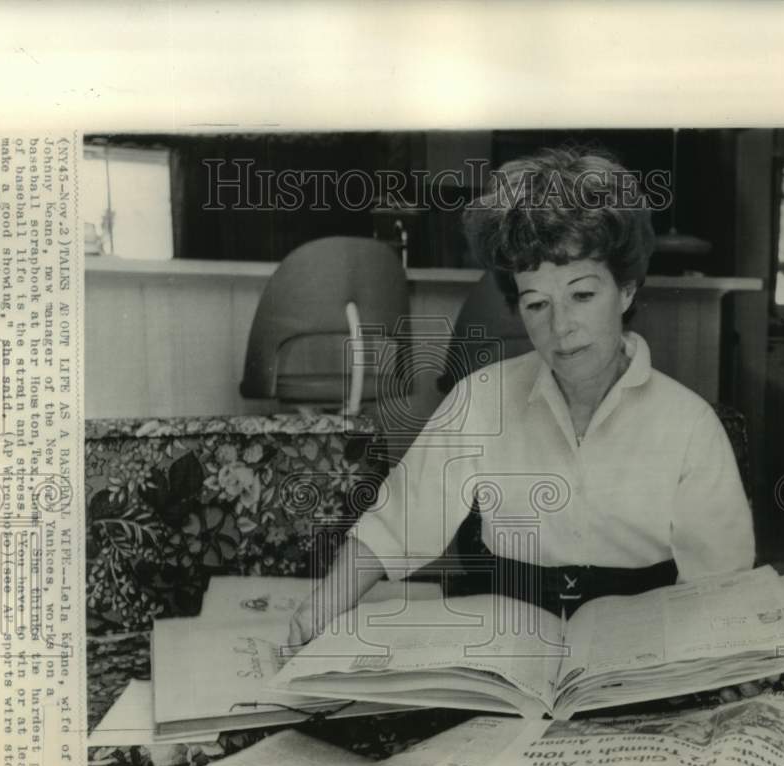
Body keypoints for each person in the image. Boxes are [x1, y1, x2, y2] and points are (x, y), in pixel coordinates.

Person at [287, 146, 754, 649]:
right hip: (505, 644)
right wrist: (317, 611)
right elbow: (397, 523)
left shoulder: (687, 424)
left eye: (582, 295)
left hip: (641, 649)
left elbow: (718, 584)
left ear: (626, 291)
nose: (561, 328)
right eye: (537, 304)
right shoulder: (481, 400)